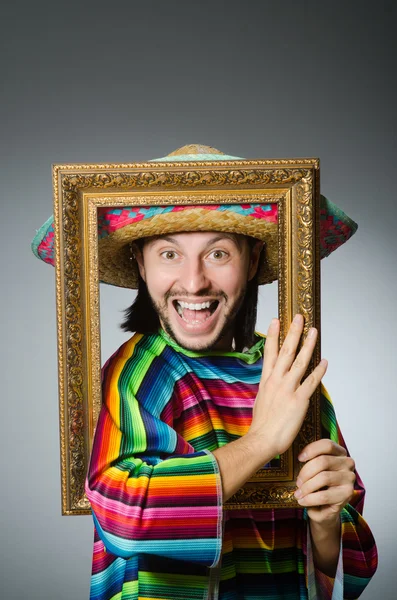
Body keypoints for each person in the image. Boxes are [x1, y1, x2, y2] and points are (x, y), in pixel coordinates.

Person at [32, 144, 378, 600]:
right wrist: (262, 442)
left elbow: (347, 566)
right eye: (169, 254)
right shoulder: (139, 372)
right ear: (140, 263)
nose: (194, 282)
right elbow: (124, 514)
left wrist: (326, 518)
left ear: (252, 261)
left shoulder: (288, 372)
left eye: (218, 254)